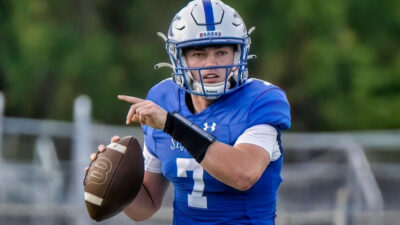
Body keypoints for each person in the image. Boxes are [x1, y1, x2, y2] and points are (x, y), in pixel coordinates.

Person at [88, 0, 291, 224]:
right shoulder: (163, 98)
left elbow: (243, 174)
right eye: (199, 54)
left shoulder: (261, 99)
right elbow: (145, 207)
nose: (211, 64)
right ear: (179, 57)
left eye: (221, 52)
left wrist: (173, 125)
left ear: (238, 53)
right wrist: (111, 181)